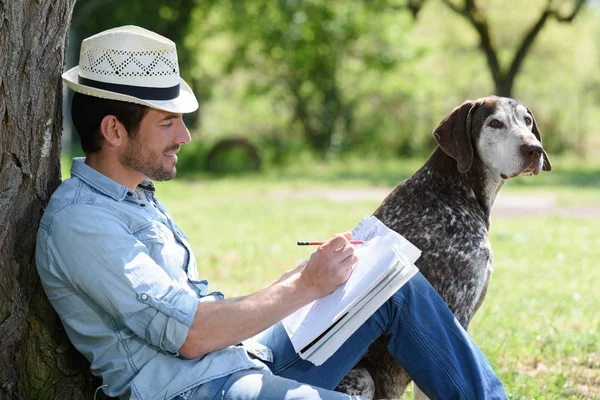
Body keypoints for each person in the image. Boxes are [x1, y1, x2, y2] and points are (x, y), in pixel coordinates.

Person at [36, 25, 507, 400]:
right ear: (114, 130)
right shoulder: (82, 223)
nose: (185, 137)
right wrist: (305, 287)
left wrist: (303, 278)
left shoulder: (136, 196)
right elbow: (191, 336)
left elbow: (200, 314)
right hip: (198, 388)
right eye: (168, 122)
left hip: (241, 358)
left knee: (390, 281)